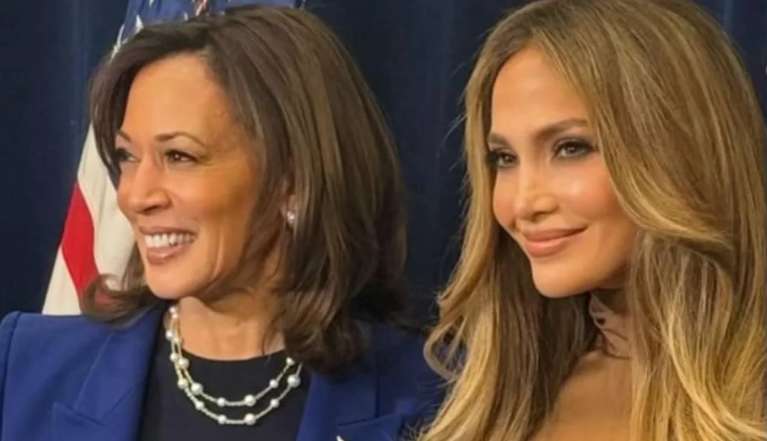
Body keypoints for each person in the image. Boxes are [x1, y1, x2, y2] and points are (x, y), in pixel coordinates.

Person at [0, 6, 441, 441]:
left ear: (293, 181)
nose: (134, 196)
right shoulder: (24, 368)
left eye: (179, 156)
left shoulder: (433, 396)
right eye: (127, 157)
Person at [420, 1, 766, 440]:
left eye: (571, 148)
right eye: (504, 158)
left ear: (681, 154)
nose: (523, 203)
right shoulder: (502, 395)